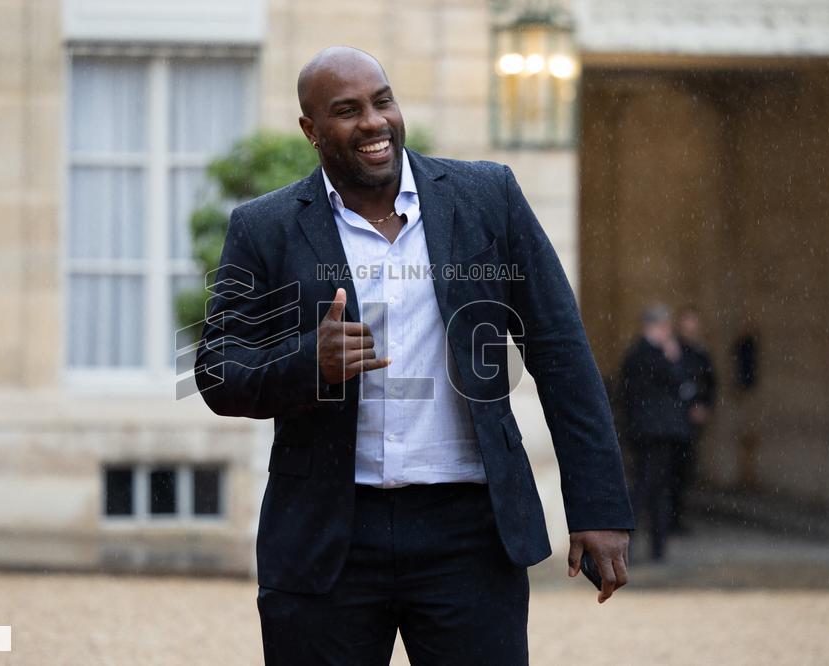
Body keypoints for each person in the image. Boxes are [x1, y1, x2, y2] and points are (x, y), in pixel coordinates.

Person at [195, 46, 633, 665]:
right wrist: (307, 363)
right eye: (347, 111)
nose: (374, 123)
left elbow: (560, 351)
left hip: (469, 532)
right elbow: (216, 371)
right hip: (327, 537)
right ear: (310, 131)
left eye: (382, 101)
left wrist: (599, 505)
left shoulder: (487, 197)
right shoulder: (264, 228)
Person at [618, 305, 691, 562]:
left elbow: (683, 384)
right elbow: (669, 382)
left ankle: (658, 547)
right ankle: (630, 542)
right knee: (647, 486)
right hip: (651, 431)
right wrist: (672, 360)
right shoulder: (642, 354)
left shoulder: (654, 353)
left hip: (661, 431)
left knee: (659, 487)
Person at [672, 306, 716, 533]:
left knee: (684, 472)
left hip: (689, 426)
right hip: (674, 422)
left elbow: (709, 384)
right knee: (668, 473)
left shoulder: (700, 354)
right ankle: (667, 520)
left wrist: (703, 406)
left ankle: (676, 518)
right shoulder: (673, 351)